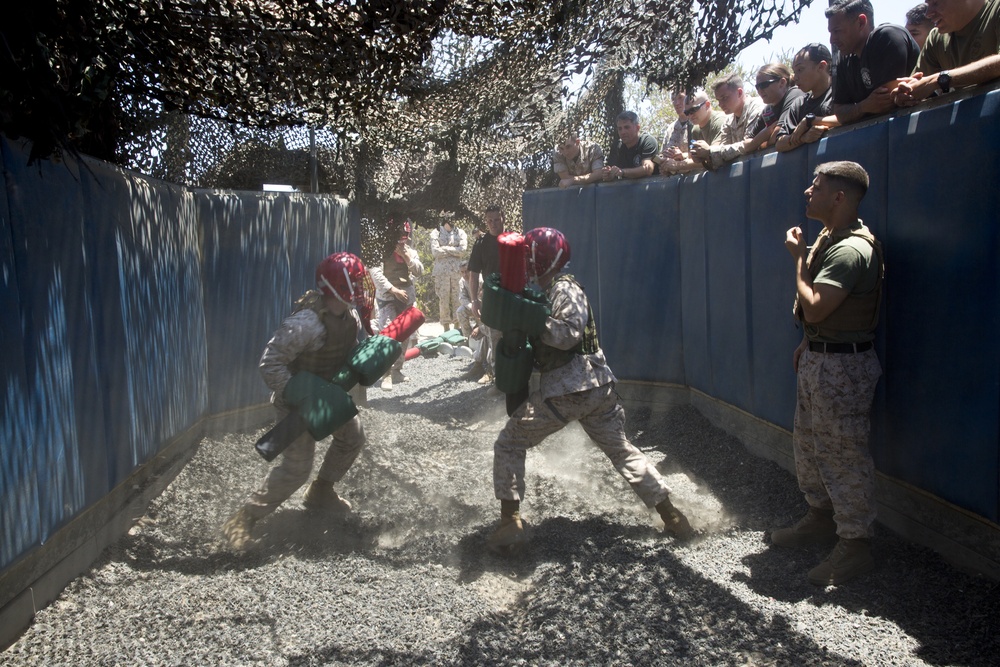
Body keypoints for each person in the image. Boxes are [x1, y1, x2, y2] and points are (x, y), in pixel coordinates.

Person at [487, 227, 692, 553]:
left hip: (569, 390)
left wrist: (531, 321)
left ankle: (510, 522)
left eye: (531, 254)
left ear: (544, 256)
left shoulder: (565, 290)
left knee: (509, 442)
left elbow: (567, 335)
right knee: (621, 451)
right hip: (598, 391)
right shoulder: (548, 290)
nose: (526, 260)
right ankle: (673, 517)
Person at [774, 161, 885, 586]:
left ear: (839, 197)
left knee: (843, 455)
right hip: (823, 357)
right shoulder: (831, 236)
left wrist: (798, 261)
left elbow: (818, 303)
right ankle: (821, 518)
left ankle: (855, 546)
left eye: (816, 187)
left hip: (843, 366)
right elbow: (821, 317)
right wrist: (810, 340)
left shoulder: (851, 249)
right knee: (811, 445)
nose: (808, 191)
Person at [222, 252, 371, 550]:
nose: (359, 287)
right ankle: (242, 519)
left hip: (326, 395)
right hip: (296, 404)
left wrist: (369, 360)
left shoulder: (349, 316)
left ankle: (321, 491)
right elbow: (270, 363)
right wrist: (300, 395)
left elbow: (347, 350)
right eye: (353, 281)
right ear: (336, 284)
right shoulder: (305, 323)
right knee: (296, 469)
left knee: (353, 436)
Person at [826, 0, 919, 124]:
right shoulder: (844, 59)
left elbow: (887, 102)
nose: (832, 40)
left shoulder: (886, 37)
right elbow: (839, 113)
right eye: (831, 32)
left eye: (837, 31)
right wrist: (863, 106)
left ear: (861, 22)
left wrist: (855, 110)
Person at [893, 0, 1000, 106]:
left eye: (935, 3)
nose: (928, 14)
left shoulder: (996, 10)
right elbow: (915, 85)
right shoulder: (936, 38)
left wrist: (939, 80)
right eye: (927, 5)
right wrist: (904, 94)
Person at [369, 220, 423, 391]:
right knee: (388, 333)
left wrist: (407, 258)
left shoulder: (411, 252)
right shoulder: (381, 251)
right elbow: (376, 274)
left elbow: (419, 271)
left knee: (405, 334)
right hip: (388, 297)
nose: (403, 240)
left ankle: (397, 370)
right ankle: (386, 374)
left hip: (406, 296)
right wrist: (393, 290)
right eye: (400, 237)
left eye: (405, 236)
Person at [775, 44, 841, 152]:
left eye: (800, 70)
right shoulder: (799, 104)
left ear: (821, 66)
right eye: (794, 72)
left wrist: (811, 121)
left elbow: (852, 116)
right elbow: (779, 144)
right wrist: (803, 138)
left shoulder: (841, 91)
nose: (795, 77)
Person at [465, 205, 505, 384]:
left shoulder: (513, 238)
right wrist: (474, 300)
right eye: (490, 221)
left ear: (503, 218)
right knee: (493, 336)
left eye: (497, 219)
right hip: (492, 297)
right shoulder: (481, 243)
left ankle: (513, 377)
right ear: (485, 222)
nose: (493, 224)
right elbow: (473, 273)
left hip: (513, 296)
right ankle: (495, 376)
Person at [693, 74, 765, 169]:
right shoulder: (729, 120)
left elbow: (749, 146)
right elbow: (722, 150)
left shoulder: (756, 108)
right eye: (718, 100)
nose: (720, 104)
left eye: (724, 98)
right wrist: (704, 156)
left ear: (739, 93)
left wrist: (710, 151)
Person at [663, 90, 727, 174]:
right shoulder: (696, 129)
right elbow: (695, 159)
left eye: (693, 110)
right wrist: (680, 157)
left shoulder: (721, 121)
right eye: (687, 112)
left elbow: (714, 156)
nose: (690, 115)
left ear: (707, 105)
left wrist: (677, 165)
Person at [746, 63, 806, 153]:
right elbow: (746, 145)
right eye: (757, 87)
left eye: (764, 85)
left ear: (782, 83)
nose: (759, 91)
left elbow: (777, 135)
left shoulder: (795, 94)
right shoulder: (768, 109)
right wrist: (765, 134)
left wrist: (761, 144)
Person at [430, 219, 467, 332]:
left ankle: (457, 326)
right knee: (443, 299)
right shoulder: (436, 233)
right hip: (442, 272)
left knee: (458, 298)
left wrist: (445, 248)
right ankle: (446, 327)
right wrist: (454, 250)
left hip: (456, 271)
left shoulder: (460, 233)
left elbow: (462, 250)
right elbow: (435, 251)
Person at [601, 111, 658, 181]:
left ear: (637, 128)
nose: (623, 132)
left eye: (627, 127)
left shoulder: (647, 141)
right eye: (620, 129)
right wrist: (608, 175)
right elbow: (611, 172)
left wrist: (623, 172)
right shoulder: (617, 146)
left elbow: (648, 169)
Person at [658, 91, 693, 175]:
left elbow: (705, 154)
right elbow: (661, 154)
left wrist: (682, 155)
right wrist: (664, 157)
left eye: (680, 98)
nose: (676, 103)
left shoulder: (697, 123)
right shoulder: (671, 128)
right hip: (674, 180)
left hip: (694, 177)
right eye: (673, 99)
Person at [455, 261, 476, 339]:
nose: (464, 274)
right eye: (462, 272)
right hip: (472, 306)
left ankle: (481, 332)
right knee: (460, 311)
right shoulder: (462, 281)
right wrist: (471, 307)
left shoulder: (480, 279)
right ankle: (468, 337)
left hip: (483, 307)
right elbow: (462, 298)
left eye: (466, 271)